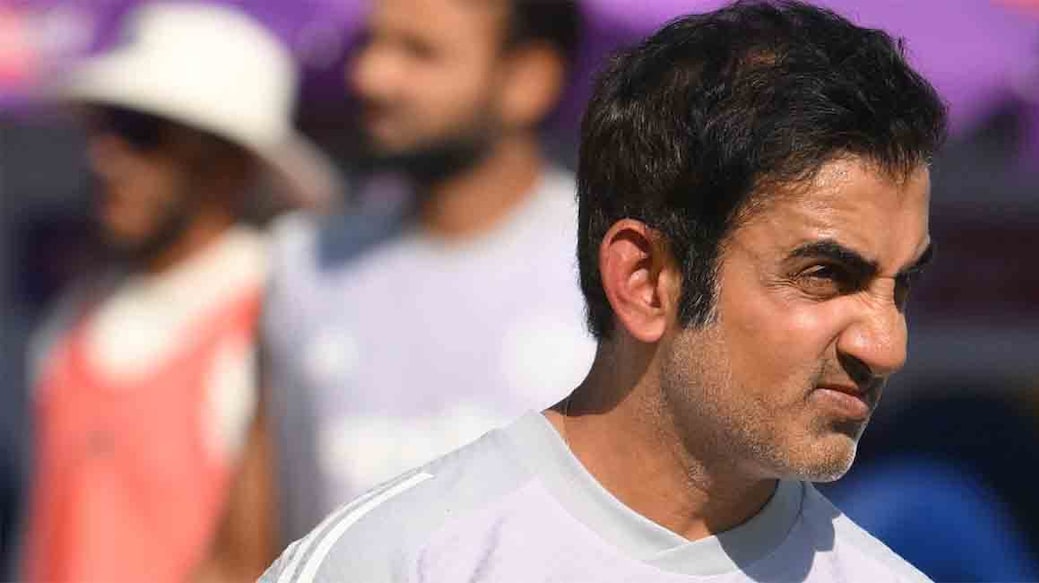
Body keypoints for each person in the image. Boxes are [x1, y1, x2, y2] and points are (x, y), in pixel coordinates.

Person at [261, 1, 947, 581]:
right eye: (823, 274)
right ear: (644, 281)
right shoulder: (391, 561)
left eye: (901, 284)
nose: (884, 344)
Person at [21, 4, 337, 582]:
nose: (107, 157)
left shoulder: (275, 316)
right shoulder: (74, 317)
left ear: (228, 167)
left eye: (145, 133)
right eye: (107, 125)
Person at [258, 0, 591, 542]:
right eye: (372, 44)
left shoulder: (616, 265)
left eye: (421, 53)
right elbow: (249, 540)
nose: (372, 77)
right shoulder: (303, 261)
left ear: (528, 80)